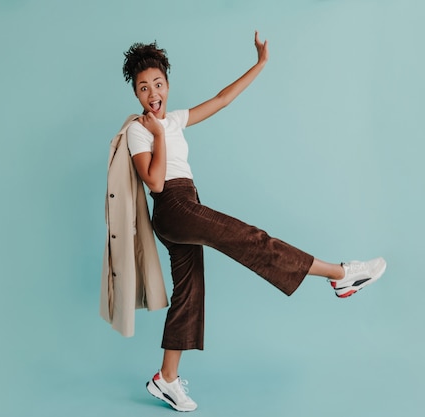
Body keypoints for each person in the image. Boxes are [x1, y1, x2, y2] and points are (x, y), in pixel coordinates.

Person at [121, 30, 387, 412]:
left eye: (158, 84)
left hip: (188, 202)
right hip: (173, 206)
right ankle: (339, 274)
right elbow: (156, 181)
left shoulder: (174, 120)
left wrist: (260, 63)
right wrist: (157, 135)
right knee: (250, 239)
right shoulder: (138, 130)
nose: (152, 93)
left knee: (190, 290)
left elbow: (222, 99)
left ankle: (166, 378)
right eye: (143, 88)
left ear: (168, 84)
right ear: (136, 94)